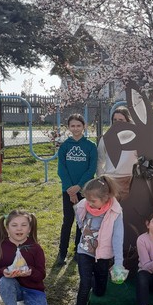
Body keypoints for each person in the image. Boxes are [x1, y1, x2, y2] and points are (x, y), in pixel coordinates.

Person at [74, 176, 125, 305]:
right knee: (85, 284)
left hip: (103, 256)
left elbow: (118, 238)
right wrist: (86, 237)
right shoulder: (84, 205)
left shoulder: (115, 212)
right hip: (85, 252)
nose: (89, 203)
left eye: (93, 200)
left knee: (100, 289)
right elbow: (80, 220)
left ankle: (95, 289)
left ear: (105, 198)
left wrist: (118, 263)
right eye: (87, 199)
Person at [0, 210, 48, 305]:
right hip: (12, 287)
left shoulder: (36, 248)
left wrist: (30, 271)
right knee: (5, 281)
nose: (19, 229)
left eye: (23, 225)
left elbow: (41, 275)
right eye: (14, 225)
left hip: (33, 289)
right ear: (7, 228)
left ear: (29, 229)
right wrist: (2, 271)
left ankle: (25, 302)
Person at [57, 114, 97, 266]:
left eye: (78, 126)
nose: (75, 128)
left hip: (85, 190)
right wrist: (70, 189)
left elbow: (91, 169)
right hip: (67, 190)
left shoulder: (90, 146)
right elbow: (62, 169)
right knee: (67, 220)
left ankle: (79, 251)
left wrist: (79, 187)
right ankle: (62, 252)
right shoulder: (65, 147)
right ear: (69, 127)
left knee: (82, 221)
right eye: (72, 126)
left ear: (83, 126)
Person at [97, 106, 138, 201]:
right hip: (111, 179)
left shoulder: (136, 138)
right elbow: (100, 160)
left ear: (128, 121)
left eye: (121, 119)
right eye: (115, 120)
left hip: (130, 179)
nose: (117, 122)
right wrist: (102, 177)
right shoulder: (106, 138)